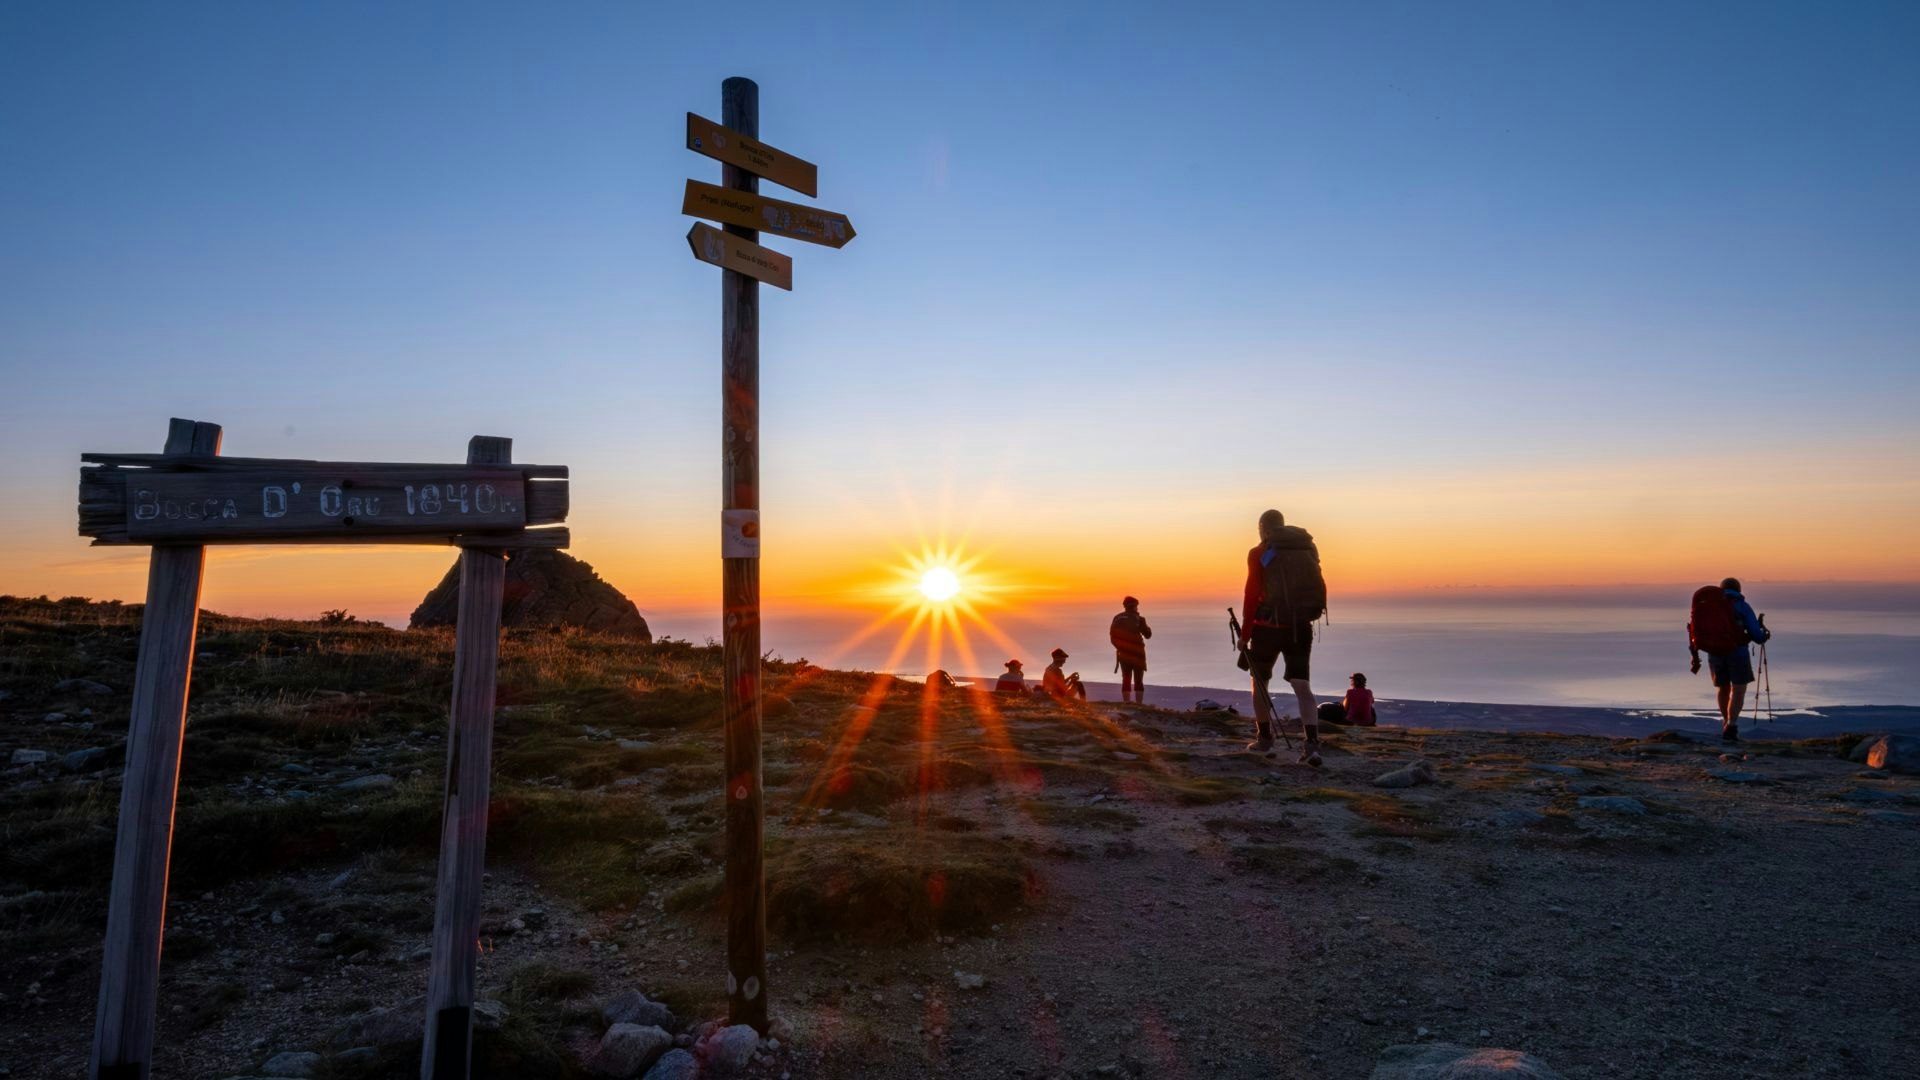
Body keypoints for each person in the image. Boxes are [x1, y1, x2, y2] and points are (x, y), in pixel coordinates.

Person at [1238, 509, 1327, 765]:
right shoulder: (1306, 549)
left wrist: (1245, 634)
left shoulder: (1258, 553)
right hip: (1300, 626)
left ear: (1262, 528)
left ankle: (1264, 739)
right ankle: (1312, 746)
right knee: (1302, 686)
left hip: (1268, 627)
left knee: (1260, 681)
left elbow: (1251, 595)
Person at [1688, 577, 1770, 743]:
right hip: (1737, 653)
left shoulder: (1708, 606)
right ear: (1738, 590)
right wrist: (1764, 634)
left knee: (1723, 688)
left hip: (1714, 653)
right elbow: (1756, 635)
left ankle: (1725, 722)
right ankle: (1731, 726)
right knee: (1738, 689)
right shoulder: (1741, 605)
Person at [1109, 596, 1153, 704]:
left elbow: (1112, 636)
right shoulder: (1139, 619)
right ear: (1135, 606)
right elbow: (1148, 635)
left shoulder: (1117, 618)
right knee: (1138, 679)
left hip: (1123, 654)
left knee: (1126, 678)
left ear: (1125, 606)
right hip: (1138, 654)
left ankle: (1126, 703)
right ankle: (1139, 704)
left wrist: (1121, 648)